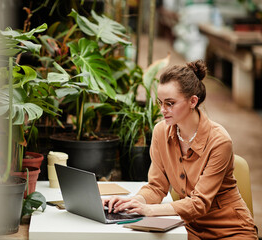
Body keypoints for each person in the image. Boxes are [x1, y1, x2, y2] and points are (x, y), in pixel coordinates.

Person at [103, 60, 258, 239]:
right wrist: (133, 202)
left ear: (193, 101)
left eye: (170, 103)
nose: (162, 110)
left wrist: (149, 210)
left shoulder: (220, 141)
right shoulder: (161, 132)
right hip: (188, 227)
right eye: (160, 102)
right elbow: (156, 187)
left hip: (230, 230)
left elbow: (199, 204)